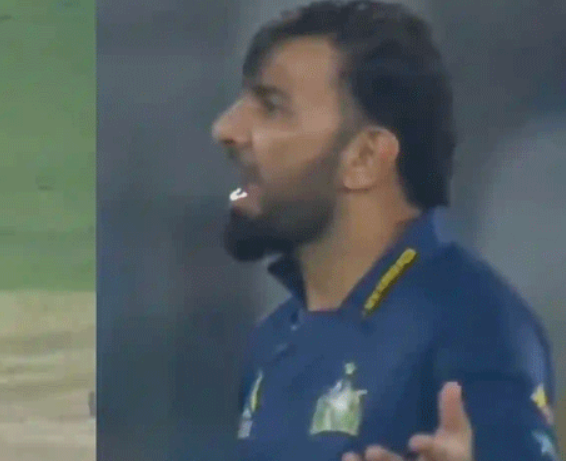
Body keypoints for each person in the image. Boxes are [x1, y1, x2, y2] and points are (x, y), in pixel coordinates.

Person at [210, 1, 558, 460]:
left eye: (272, 106)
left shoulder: (472, 324)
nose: (226, 128)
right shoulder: (273, 341)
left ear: (365, 158)